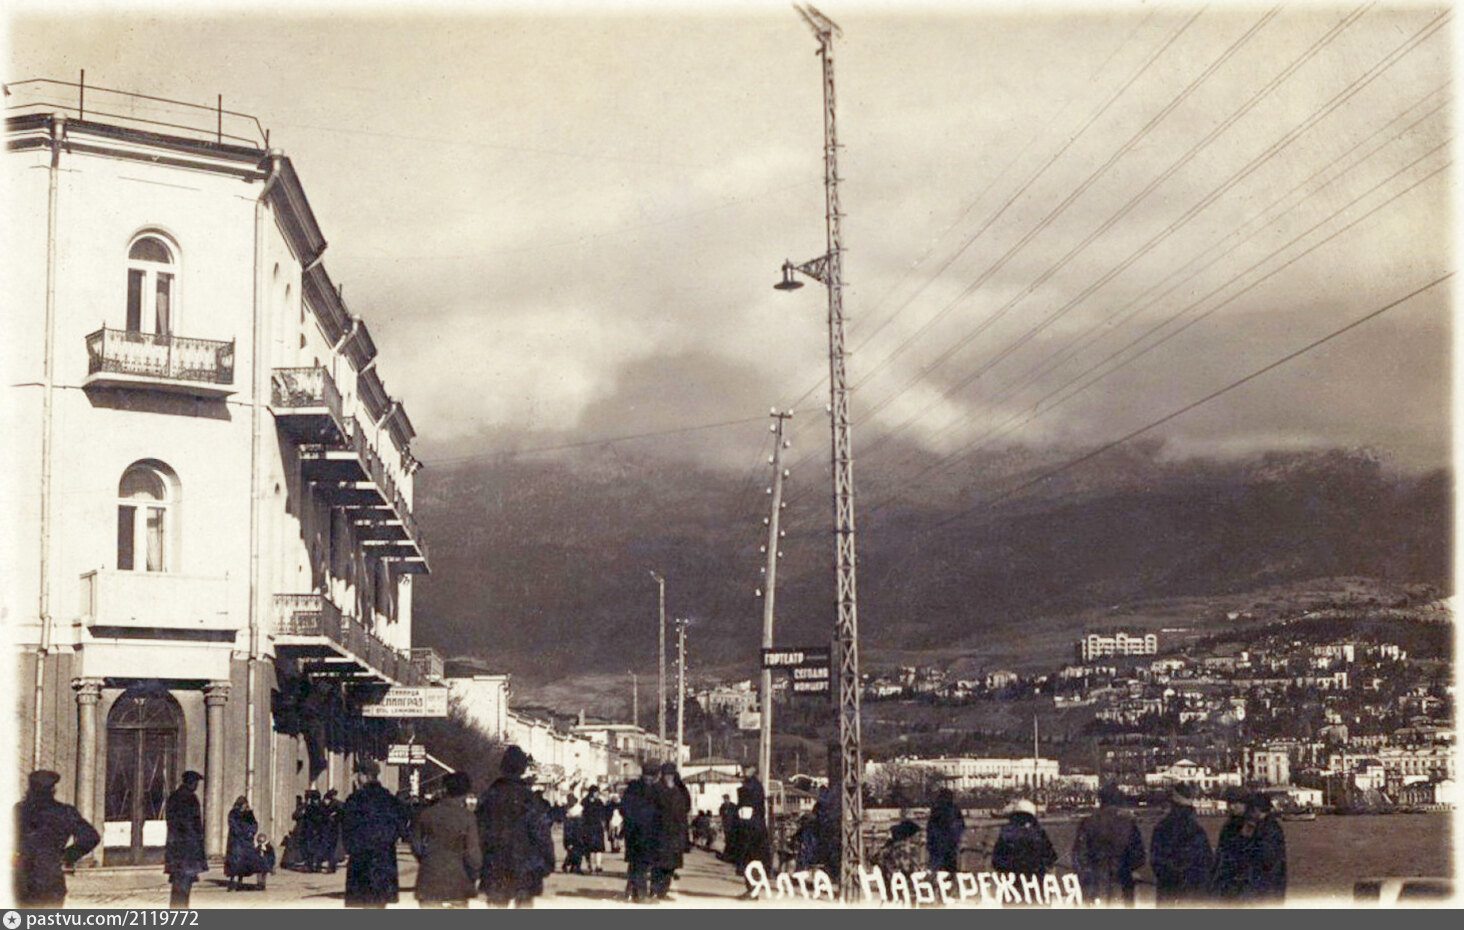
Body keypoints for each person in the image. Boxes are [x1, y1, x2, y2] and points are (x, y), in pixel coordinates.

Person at [478, 745, 554, 908]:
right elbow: (541, 833)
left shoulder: (490, 796)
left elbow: (480, 832)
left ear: (502, 767)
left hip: (495, 865)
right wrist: (547, 862)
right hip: (526, 866)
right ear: (522, 769)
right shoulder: (529, 798)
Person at [13, 770, 100, 908]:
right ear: (53, 790)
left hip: (22, 879)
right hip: (50, 878)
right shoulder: (65, 812)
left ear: (30, 789)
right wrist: (67, 856)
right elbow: (90, 837)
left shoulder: (19, 811)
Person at [341, 758, 410, 908]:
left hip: (361, 859)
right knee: (380, 904)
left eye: (357, 775)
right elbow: (401, 824)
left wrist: (352, 847)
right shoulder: (390, 799)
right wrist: (388, 839)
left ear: (364, 776)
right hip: (384, 858)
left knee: (363, 904)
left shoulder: (355, 799)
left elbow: (346, 827)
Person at [411, 772, 481, 908]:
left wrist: (427, 859)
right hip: (458, 881)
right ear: (466, 793)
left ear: (445, 789)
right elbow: (473, 854)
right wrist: (475, 873)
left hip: (429, 878)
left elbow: (416, 845)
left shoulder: (426, 814)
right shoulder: (468, 818)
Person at [1071, 782, 1146, 906]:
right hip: (1122, 881)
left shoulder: (1087, 823)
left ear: (1101, 800)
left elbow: (1079, 855)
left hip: (1095, 882)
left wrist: (1087, 874)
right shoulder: (1128, 824)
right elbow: (1139, 856)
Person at [1150, 783, 1213, 906]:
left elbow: (1156, 862)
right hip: (1192, 894)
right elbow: (1206, 863)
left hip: (1168, 892)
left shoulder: (1161, 828)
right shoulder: (1197, 830)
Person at [164, 771, 208, 908]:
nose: (197, 786)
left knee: (178, 882)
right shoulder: (190, 798)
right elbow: (191, 825)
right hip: (187, 848)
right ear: (191, 783)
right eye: (196, 783)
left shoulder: (173, 797)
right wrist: (196, 845)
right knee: (184, 883)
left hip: (175, 847)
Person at [619, 761, 661, 902]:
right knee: (642, 864)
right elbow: (659, 813)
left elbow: (623, 808)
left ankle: (630, 892)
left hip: (632, 832)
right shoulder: (654, 790)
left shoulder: (632, 787)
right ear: (655, 775)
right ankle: (641, 895)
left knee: (634, 863)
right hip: (647, 833)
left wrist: (630, 822)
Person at [650, 763, 690, 900]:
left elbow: (686, 806)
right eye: (667, 775)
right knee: (658, 864)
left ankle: (663, 891)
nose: (669, 778)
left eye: (671, 775)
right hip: (660, 832)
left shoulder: (680, 789)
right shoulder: (656, 789)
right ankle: (655, 890)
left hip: (675, 833)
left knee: (671, 865)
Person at [991, 799, 1057, 879]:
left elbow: (996, 861)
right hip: (1035, 876)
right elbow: (1051, 857)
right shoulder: (1038, 832)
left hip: (1013, 877)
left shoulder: (1006, 832)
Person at [1241, 792, 1287, 903]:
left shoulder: (1266, 829)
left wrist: (1245, 840)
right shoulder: (1272, 826)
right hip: (1273, 884)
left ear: (1256, 809)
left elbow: (1265, 856)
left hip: (1264, 886)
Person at [1209, 786, 1251, 900]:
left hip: (1242, 882)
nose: (1231, 807)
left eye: (1235, 803)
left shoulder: (1250, 825)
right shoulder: (1229, 826)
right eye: (1229, 803)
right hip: (1229, 880)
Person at [225, 795, 269, 891]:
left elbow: (254, 824)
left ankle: (240, 882)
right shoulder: (233, 813)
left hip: (247, 841)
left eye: (246, 804)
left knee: (245, 861)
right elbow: (233, 825)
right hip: (236, 841)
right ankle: (232, 882)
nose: (245, 806)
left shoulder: (249, 814)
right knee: (235, 861)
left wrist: (251, 832)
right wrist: (241, 833)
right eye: (244, 804)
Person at [925, 788, 965, 873]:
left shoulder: (936, 809)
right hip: (950, 845)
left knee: (935, 869)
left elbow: (930, 827)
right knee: (950, 869)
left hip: (937, 845)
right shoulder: (954, 809)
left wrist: (930, 842)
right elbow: (961, 825)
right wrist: (956, 838)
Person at [877, 819, 926, 885]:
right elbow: (907, 868)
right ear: (909, 836)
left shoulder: (891, 848)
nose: (919, 838)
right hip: (900, 883)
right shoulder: (902, 850)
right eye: (918, 835)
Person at [581, 785, 608, 874]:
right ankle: (590, 866)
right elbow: (582, 814)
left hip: (597, 827)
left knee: (598, 847)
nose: (597, 794)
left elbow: (603, 813)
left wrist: (604, 823)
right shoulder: (584, 802)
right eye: (596, 792)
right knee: (588, 848)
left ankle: (598, 865)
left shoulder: (599, 802)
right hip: (587, 827)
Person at [321, 788, 345, 872]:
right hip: (332, 827)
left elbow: (342, 814)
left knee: (333, 847)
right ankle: (331, 865)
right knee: (331, 847)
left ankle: (331, 866)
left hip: (334, 827)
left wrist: (335, 815)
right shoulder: (334, 803)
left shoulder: (337, 804)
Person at [561, 793, 584, 874]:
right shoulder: (578, 810)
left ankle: (574, 866)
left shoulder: (568, 811)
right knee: (574, 851)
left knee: (575, 850)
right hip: (575, 833)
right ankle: (573, 866)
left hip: (575, 833)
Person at [717, 793, 738, 859]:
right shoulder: (722, 806)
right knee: (727, 838)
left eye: (726, 799)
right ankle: (728, 852)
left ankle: (730, 852)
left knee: (732, 838)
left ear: (728, 799)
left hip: (732, 825)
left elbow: (736, 815)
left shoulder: (733, 806)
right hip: (726, 825)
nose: (725, 800)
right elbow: (720, 814)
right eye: (724, 799)